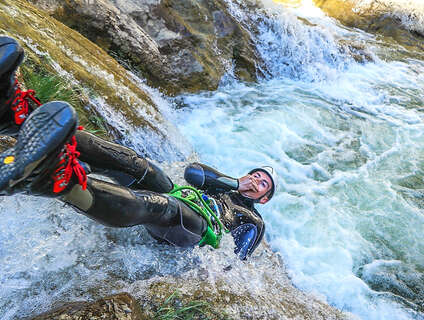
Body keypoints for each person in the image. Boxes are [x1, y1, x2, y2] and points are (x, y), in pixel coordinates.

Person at [0, 36, 276, 259]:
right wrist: (235, 183)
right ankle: (16, 117)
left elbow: (237, 263)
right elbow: (194, 173)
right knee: (135, 163)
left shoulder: (254, 220)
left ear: (263, 199)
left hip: (199, 233)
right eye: (256, 174)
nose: (256, 179)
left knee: (163, 206)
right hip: (185, 200)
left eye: (263, 184)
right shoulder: (221, 184)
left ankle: (58, 181)